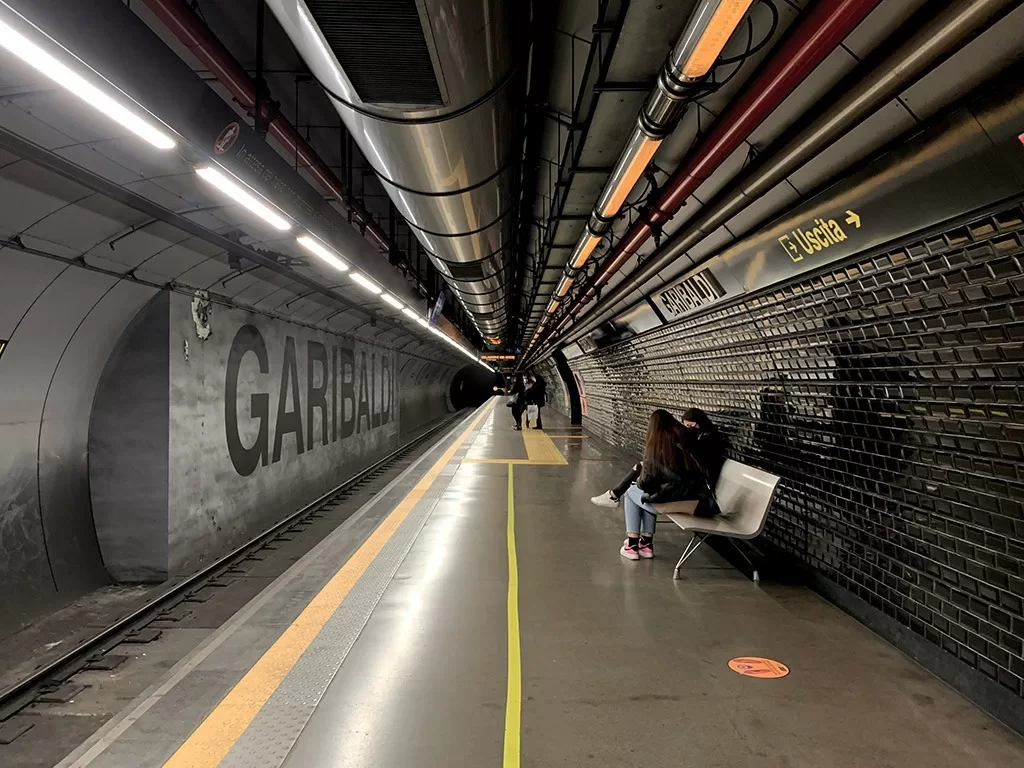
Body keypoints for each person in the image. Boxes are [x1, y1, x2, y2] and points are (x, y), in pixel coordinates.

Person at [618, 409, 710, 560]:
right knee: (646, 494)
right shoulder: (686, 441)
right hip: (699, 499)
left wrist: (637, 478)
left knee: (631, 492)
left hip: (683, 503)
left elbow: (646, 483)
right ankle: (645, 544)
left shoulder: (658, 448)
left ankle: (633, 546)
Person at [591, 406, 725, 507]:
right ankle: (614, 495)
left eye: (691, 426)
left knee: (640, 476)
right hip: (689, 484)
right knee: (644, 468)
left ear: (700, 422)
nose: (688, 430)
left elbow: (696, 466)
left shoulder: (707, 440)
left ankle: (614, 495)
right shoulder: (695, 438)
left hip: (699, 488)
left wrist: (643, 477)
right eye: (685, 426)